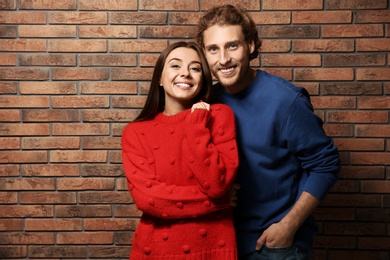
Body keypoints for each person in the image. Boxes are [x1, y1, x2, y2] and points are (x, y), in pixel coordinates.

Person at [196, 5, 340, 260]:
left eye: (232, 46)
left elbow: (325, 165)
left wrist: (288, 226)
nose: (223, 59)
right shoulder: (207, 101)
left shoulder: (286, 101)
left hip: (275, 245)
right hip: (223, 242)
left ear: (250, 45)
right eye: (213, 49)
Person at [121, 41, 239, 259]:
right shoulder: (135, 132)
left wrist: (196, 127)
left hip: (214, 249)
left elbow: (216, 185)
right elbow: (148, 199)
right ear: (159, 77)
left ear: (203, 79)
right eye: (175, 66)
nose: (185, 73)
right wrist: (219, 202)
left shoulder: (220, 116)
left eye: (195, 68)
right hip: (156, 250)